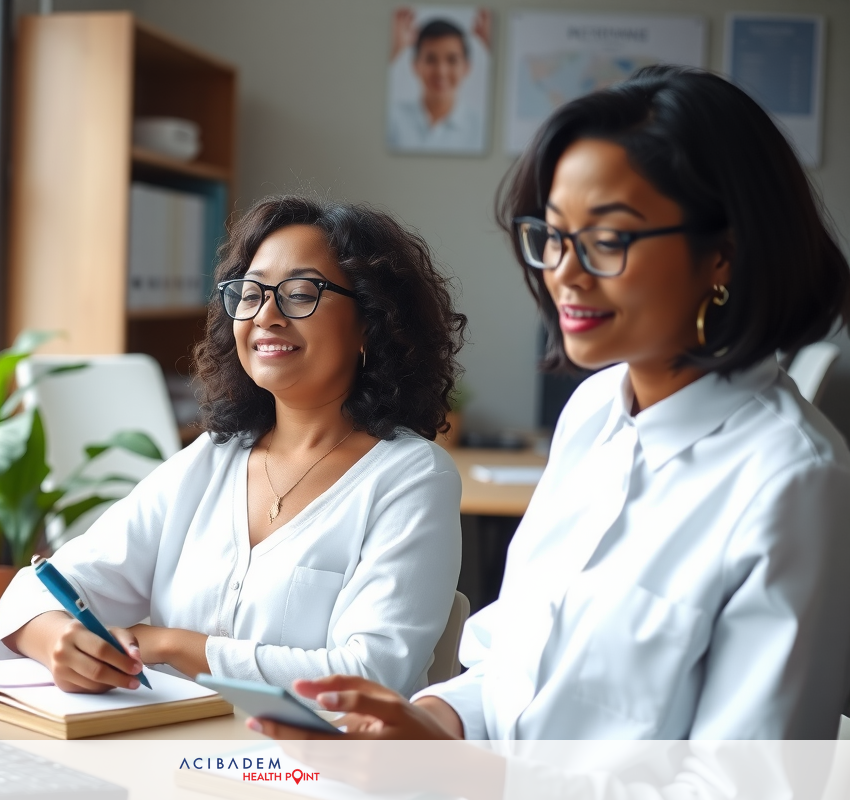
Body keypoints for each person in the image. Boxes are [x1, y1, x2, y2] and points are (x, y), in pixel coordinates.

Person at [253, 65, 850, 741]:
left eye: (607, 239)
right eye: (555, 236)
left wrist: (470, 780)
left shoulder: (792, 481)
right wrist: (429, 723)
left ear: (723, 255)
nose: (563, 271)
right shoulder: (595, 410)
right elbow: (514, 663)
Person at [0, 196, 468, 698]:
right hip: (172, 759)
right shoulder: (211, 460)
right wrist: (59, 641)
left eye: (300, 293)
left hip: (312, 770)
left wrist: (174, 646)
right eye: (251, 293)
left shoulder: (413, 477)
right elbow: (30, 595)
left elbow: (368, 675)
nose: (267, 315)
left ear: (370, 320)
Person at [387, 8, 490, 153]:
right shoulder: (391, 120)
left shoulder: (483, 129)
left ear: (466, 67)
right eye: (431, 59)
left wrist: (497, 45)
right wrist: (390, 50)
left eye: (452, 60)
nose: (441, 71)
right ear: (415, 65)